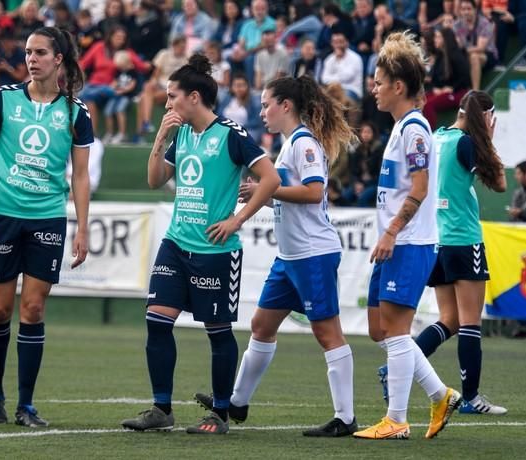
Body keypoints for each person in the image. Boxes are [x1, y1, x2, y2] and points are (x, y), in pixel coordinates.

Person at [120, 53, 280, 434]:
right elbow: (155, 180)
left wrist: (237, 219)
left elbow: (270, 179)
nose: (168, 102)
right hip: (176, 244)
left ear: (194, 97)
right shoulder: (183, 135)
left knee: (218, 331)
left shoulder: (231, 134)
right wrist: (161, 136)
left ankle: (220, 414)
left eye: (172, 95)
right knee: (157, 322)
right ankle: (161, 408)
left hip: (215, 252)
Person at [195, 75, 358, 437]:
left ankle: (345, 417)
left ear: (286, 106)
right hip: (290, 256)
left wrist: (270, 190)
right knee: (261, 326)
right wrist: (261, 193)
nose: (262, 110)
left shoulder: (303, 144)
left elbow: (314, 192)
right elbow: (289, 191)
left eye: (267, 103)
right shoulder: (288, 146)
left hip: (313, 253)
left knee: (327, 333)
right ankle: (238, 401)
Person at [0, 26, 93, 428]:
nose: (31, 58)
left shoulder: (76, 111)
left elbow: (80, 175)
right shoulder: (3, 100)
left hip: (47, 218)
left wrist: (82, 227)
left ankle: (26, 405)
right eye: (27, 52)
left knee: (34, 309)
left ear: (59, 59)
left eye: (40, 52)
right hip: (2, 215)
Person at [353, 31, 461, 441]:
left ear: (398, 86)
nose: (374, 89)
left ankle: (396, 419)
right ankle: (439, 394)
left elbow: (419, 189)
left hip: (409, 242)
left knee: (396, 330)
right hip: (396, 242)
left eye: (379, 82)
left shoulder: (415, 129)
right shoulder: (400, 128)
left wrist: (392, 231)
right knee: (379, 329)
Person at [407, 90, 508, 416]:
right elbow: (501, 183)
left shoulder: (438, 137)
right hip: (464, 239)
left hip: (437, 240)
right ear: (485, 116)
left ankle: (399, 367)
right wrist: (489, 139)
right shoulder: (467, 143)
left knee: (449, 320)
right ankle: (471, 398)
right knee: (470, 323)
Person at [103, 50, 139, 144]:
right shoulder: (118, 71)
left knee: (119, 110)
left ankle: (122, 134)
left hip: (126, 96)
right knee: (108, 111)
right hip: (116, 95)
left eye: (122, 66)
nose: (120, 68)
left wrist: (122, 91)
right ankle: (109, 133)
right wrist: (112, 87)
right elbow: (115, 82)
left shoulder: (133, 71)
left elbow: (132, 85)